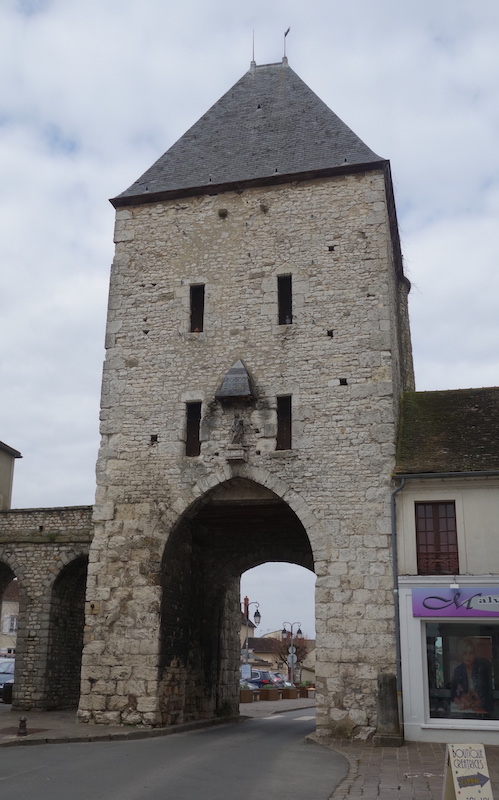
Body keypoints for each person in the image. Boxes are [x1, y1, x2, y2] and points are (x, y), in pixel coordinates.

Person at [450, 637, 494, 716]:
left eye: (471, 653)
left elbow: (489, 690)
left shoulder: (483, 666)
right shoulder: (459, 670)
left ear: (475, 654)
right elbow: (452, 689)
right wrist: (458, 701)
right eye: (465, 653)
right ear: (461, 654)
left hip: (484, 709)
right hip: (468, 709)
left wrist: (481, 703)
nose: (468, 656)